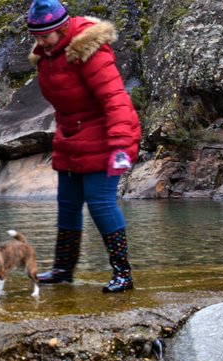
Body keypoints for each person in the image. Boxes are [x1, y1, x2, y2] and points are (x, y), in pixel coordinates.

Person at [27, 0, 141, 293]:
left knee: (100, 203)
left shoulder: (89, 50)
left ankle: (123, 274)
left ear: (61, 28)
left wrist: (120, 145)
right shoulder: (47, 56)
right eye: (35, 36)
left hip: (107, 136)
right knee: (67, 204)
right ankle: (64, 270)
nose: (40, 42)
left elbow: (115, 99)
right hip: (71, 137)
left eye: (45, 36)